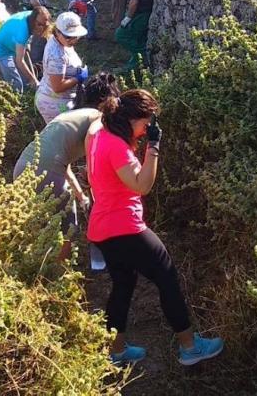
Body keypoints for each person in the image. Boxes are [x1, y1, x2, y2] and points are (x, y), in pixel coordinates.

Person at [86, 90, 224, 366]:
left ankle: (116, 351)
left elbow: (94, 131)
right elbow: (142, 185)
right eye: (145, 124)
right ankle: (189, 348)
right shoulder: (116, 146)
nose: (146, 130)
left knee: (123, 286)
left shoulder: (100, 133)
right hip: (124, 227)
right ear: (129, 119)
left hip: (102, 228)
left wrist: (142, 132)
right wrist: (154, 145)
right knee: (167, 277)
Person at [13, 73, 120, 261]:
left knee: (37, 223)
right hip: (46, 172)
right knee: (68, 227)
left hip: (23, 167)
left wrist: (82, 197)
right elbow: (93, 161)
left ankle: (30, 266)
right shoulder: (97, 118)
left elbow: (64, 165)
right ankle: (58, 274)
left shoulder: (71, 115)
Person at [35, 11, 89, 123]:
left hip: (58, 99)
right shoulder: (57, 56)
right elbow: (57, 87)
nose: (73, 40)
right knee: (61, 137)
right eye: (69, 36)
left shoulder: (60, 41)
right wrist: (78, 78)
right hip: (54, 104)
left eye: (76, 36)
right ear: (57, 32)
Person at [0, 7, 51, 93]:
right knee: (17, 84)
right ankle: (17, 102)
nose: (42, 28)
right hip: (2, 49)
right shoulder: (22, 32)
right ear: (33, 20)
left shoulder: (34, 14)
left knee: (26, 79)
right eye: (39, 24)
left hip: (13, 42)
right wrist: (33, 80)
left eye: (45, 25)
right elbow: (20, 61)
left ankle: (28, 94)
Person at [115, 0, 156, 71]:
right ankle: (136, 64)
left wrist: (127, 18)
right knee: (140, 38)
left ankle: (141, 57)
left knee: (120, 34)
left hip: (140, 15)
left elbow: (134, 2)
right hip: (148, 12)